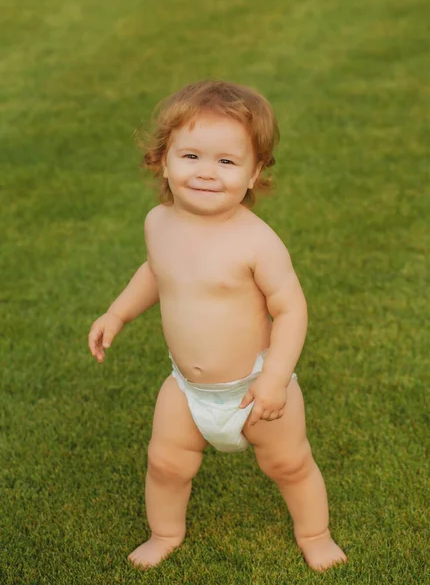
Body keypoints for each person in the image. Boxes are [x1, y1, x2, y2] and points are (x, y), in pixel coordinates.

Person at [88, 80, 347, 572]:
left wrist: (274, 380)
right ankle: (165, 533)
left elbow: (291, 309)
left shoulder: (256, 242)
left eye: (227, 162)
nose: (207, 173)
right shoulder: (158, 223)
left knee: (289, 464)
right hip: (187, 389)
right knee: (166, 464)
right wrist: (117, 313)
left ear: (254, 173)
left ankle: (315, 534)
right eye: (191, 157)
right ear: (163, 160)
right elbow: (154, 272)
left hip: (255, 386)